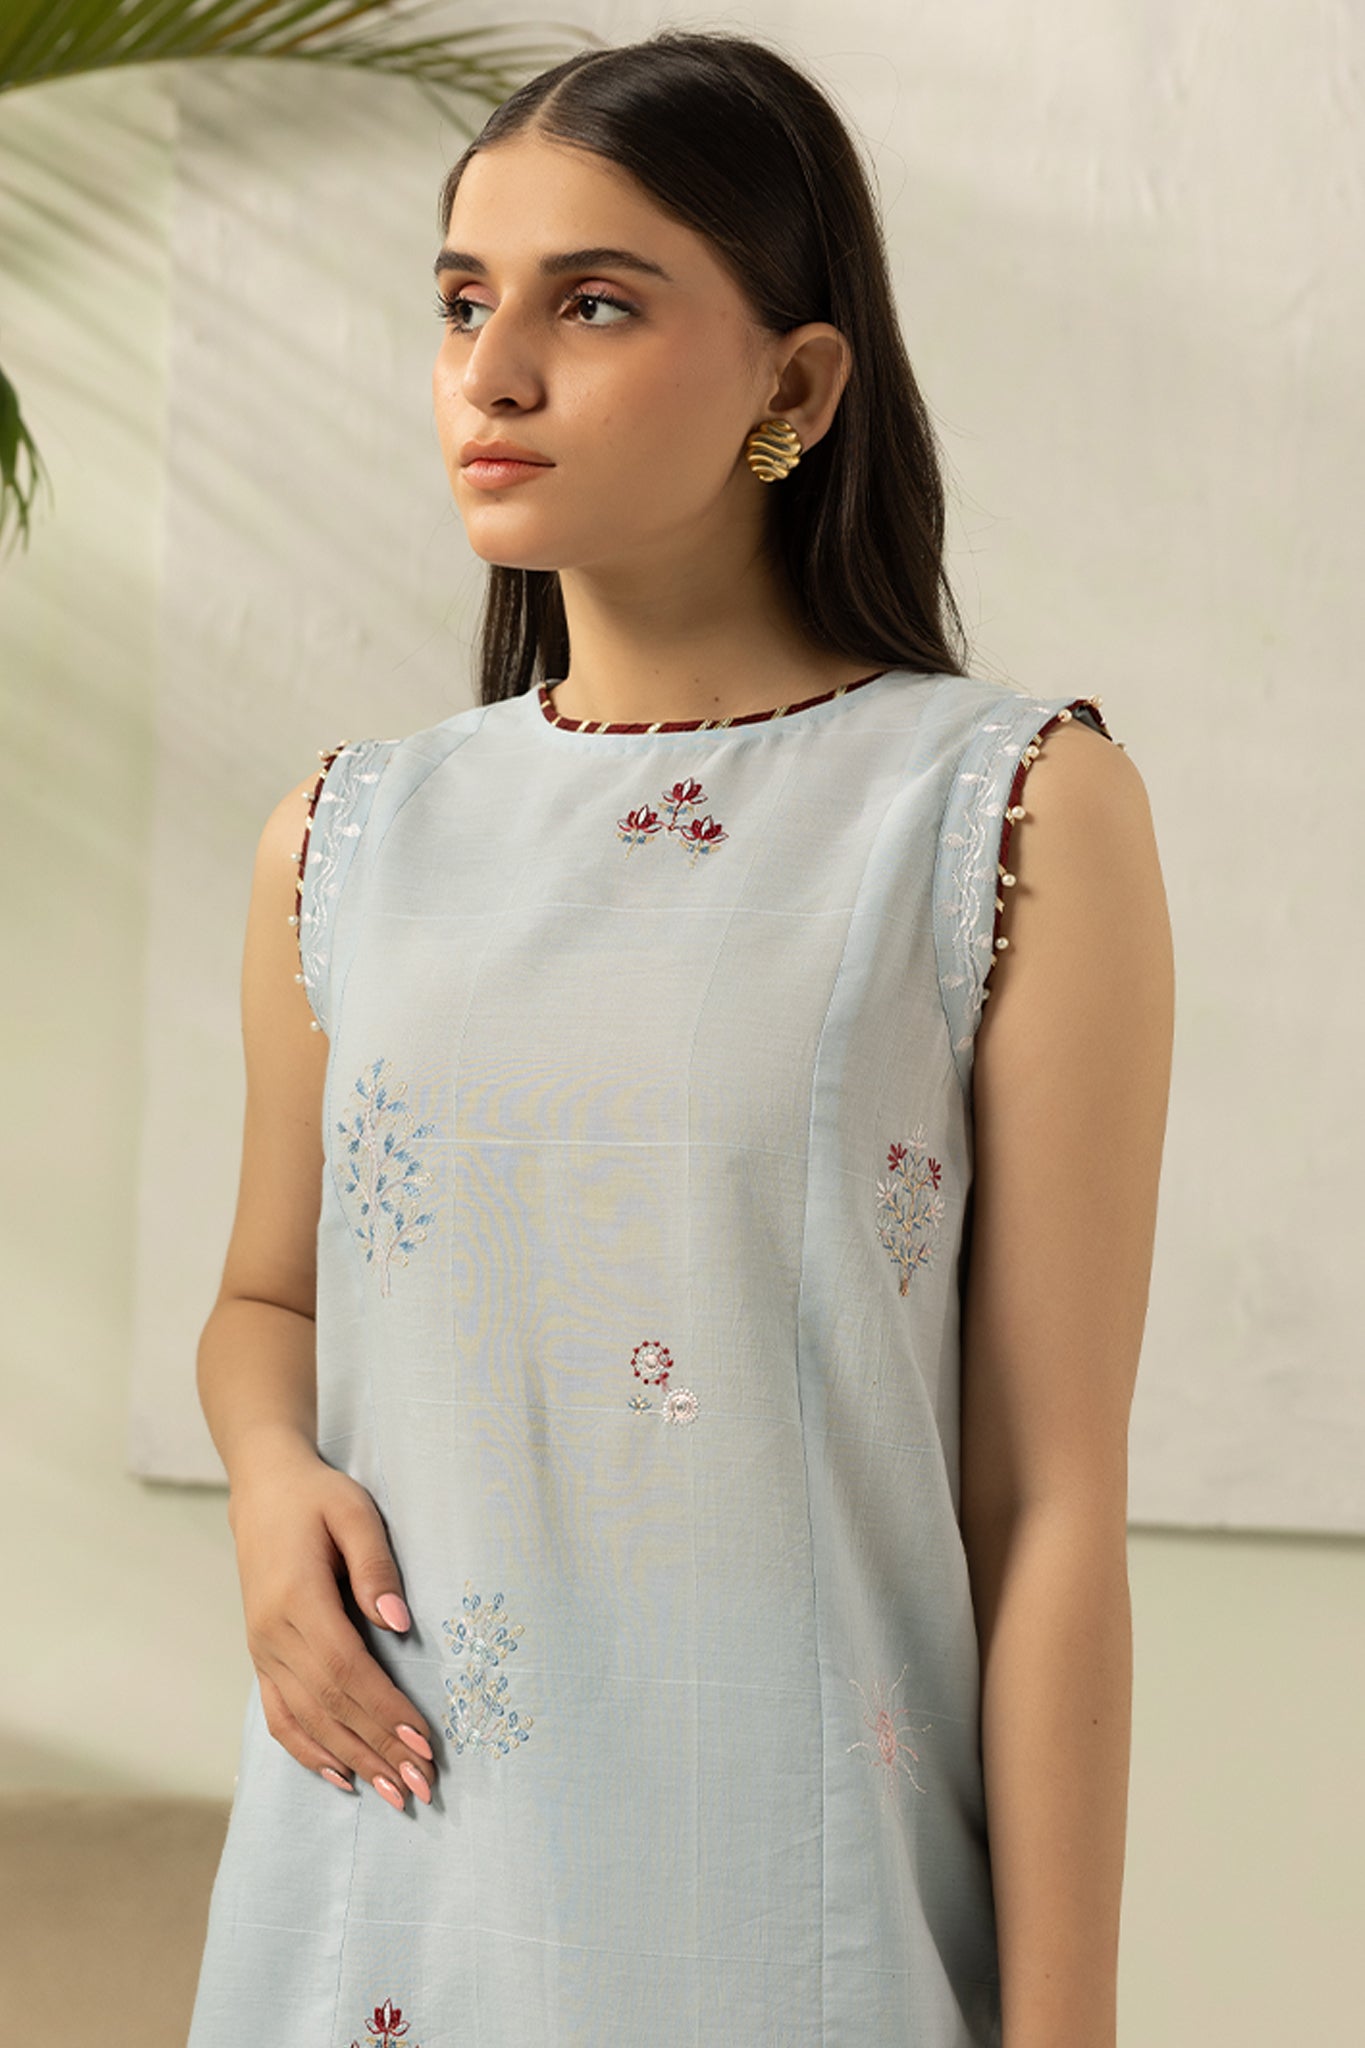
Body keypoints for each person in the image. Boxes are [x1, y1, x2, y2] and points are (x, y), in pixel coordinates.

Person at [187, 26, 1173, 2048]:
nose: (493, 369)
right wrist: (267, 1474)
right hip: (382, 1888)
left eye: (593, 303)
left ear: (791, 387)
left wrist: (1063, 2027)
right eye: (461, 300)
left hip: (785, 1919)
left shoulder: (999, 810)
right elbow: (264, 1298)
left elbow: (1049, 1505)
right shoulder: (345, 834)